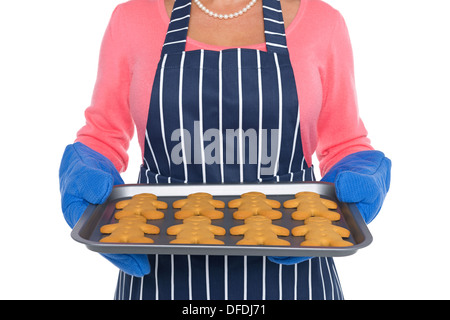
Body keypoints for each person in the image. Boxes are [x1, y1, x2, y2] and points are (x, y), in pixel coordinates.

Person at [59, 0, 391, 300]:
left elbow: (344, 142)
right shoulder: (131, 19)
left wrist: (361, 170)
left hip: (295, 276)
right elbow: (103, 136)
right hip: (160, 275)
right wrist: (86, 166)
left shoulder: (323, 22)